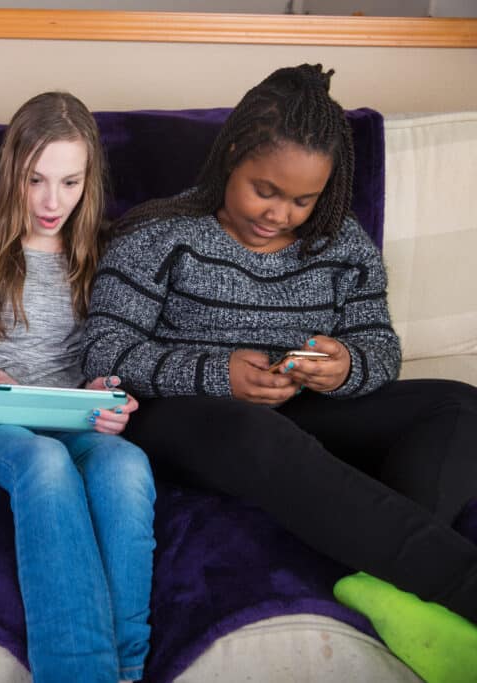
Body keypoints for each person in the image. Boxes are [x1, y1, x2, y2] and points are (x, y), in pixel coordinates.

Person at [84, 63, 477, 683]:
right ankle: (459, 581)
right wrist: (218, 373)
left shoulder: (341, 243)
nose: (281, 215)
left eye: (303, 199)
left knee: (458, 404)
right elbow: (104, 352)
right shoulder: (159, 235)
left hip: (301, 403)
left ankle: (382, 585)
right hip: (188, 415)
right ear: (232, 155)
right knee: (256, 433)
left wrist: (346, 365)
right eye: (265, 190)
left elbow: (379, 344)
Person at [0, 92, 155, 683]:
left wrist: (107, 390)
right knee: (44, 463)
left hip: (72, 416)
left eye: (69, 182)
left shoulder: (98, 252)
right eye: (36, 180)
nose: (50, 201)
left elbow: (104, 358)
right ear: (13, 169)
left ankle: (128, 667)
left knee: (126, 465)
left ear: (89, 180)